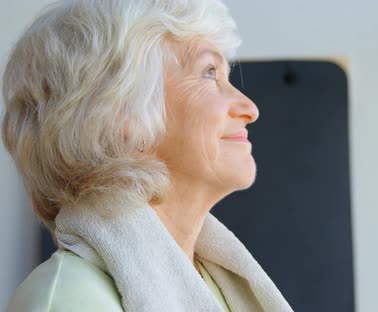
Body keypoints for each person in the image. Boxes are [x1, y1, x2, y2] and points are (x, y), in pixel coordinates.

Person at [2, 0, 293, 311]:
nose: (249, 108)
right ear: (119, 108)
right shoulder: (67, 299)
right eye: (209, 73)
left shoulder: (214, 285)